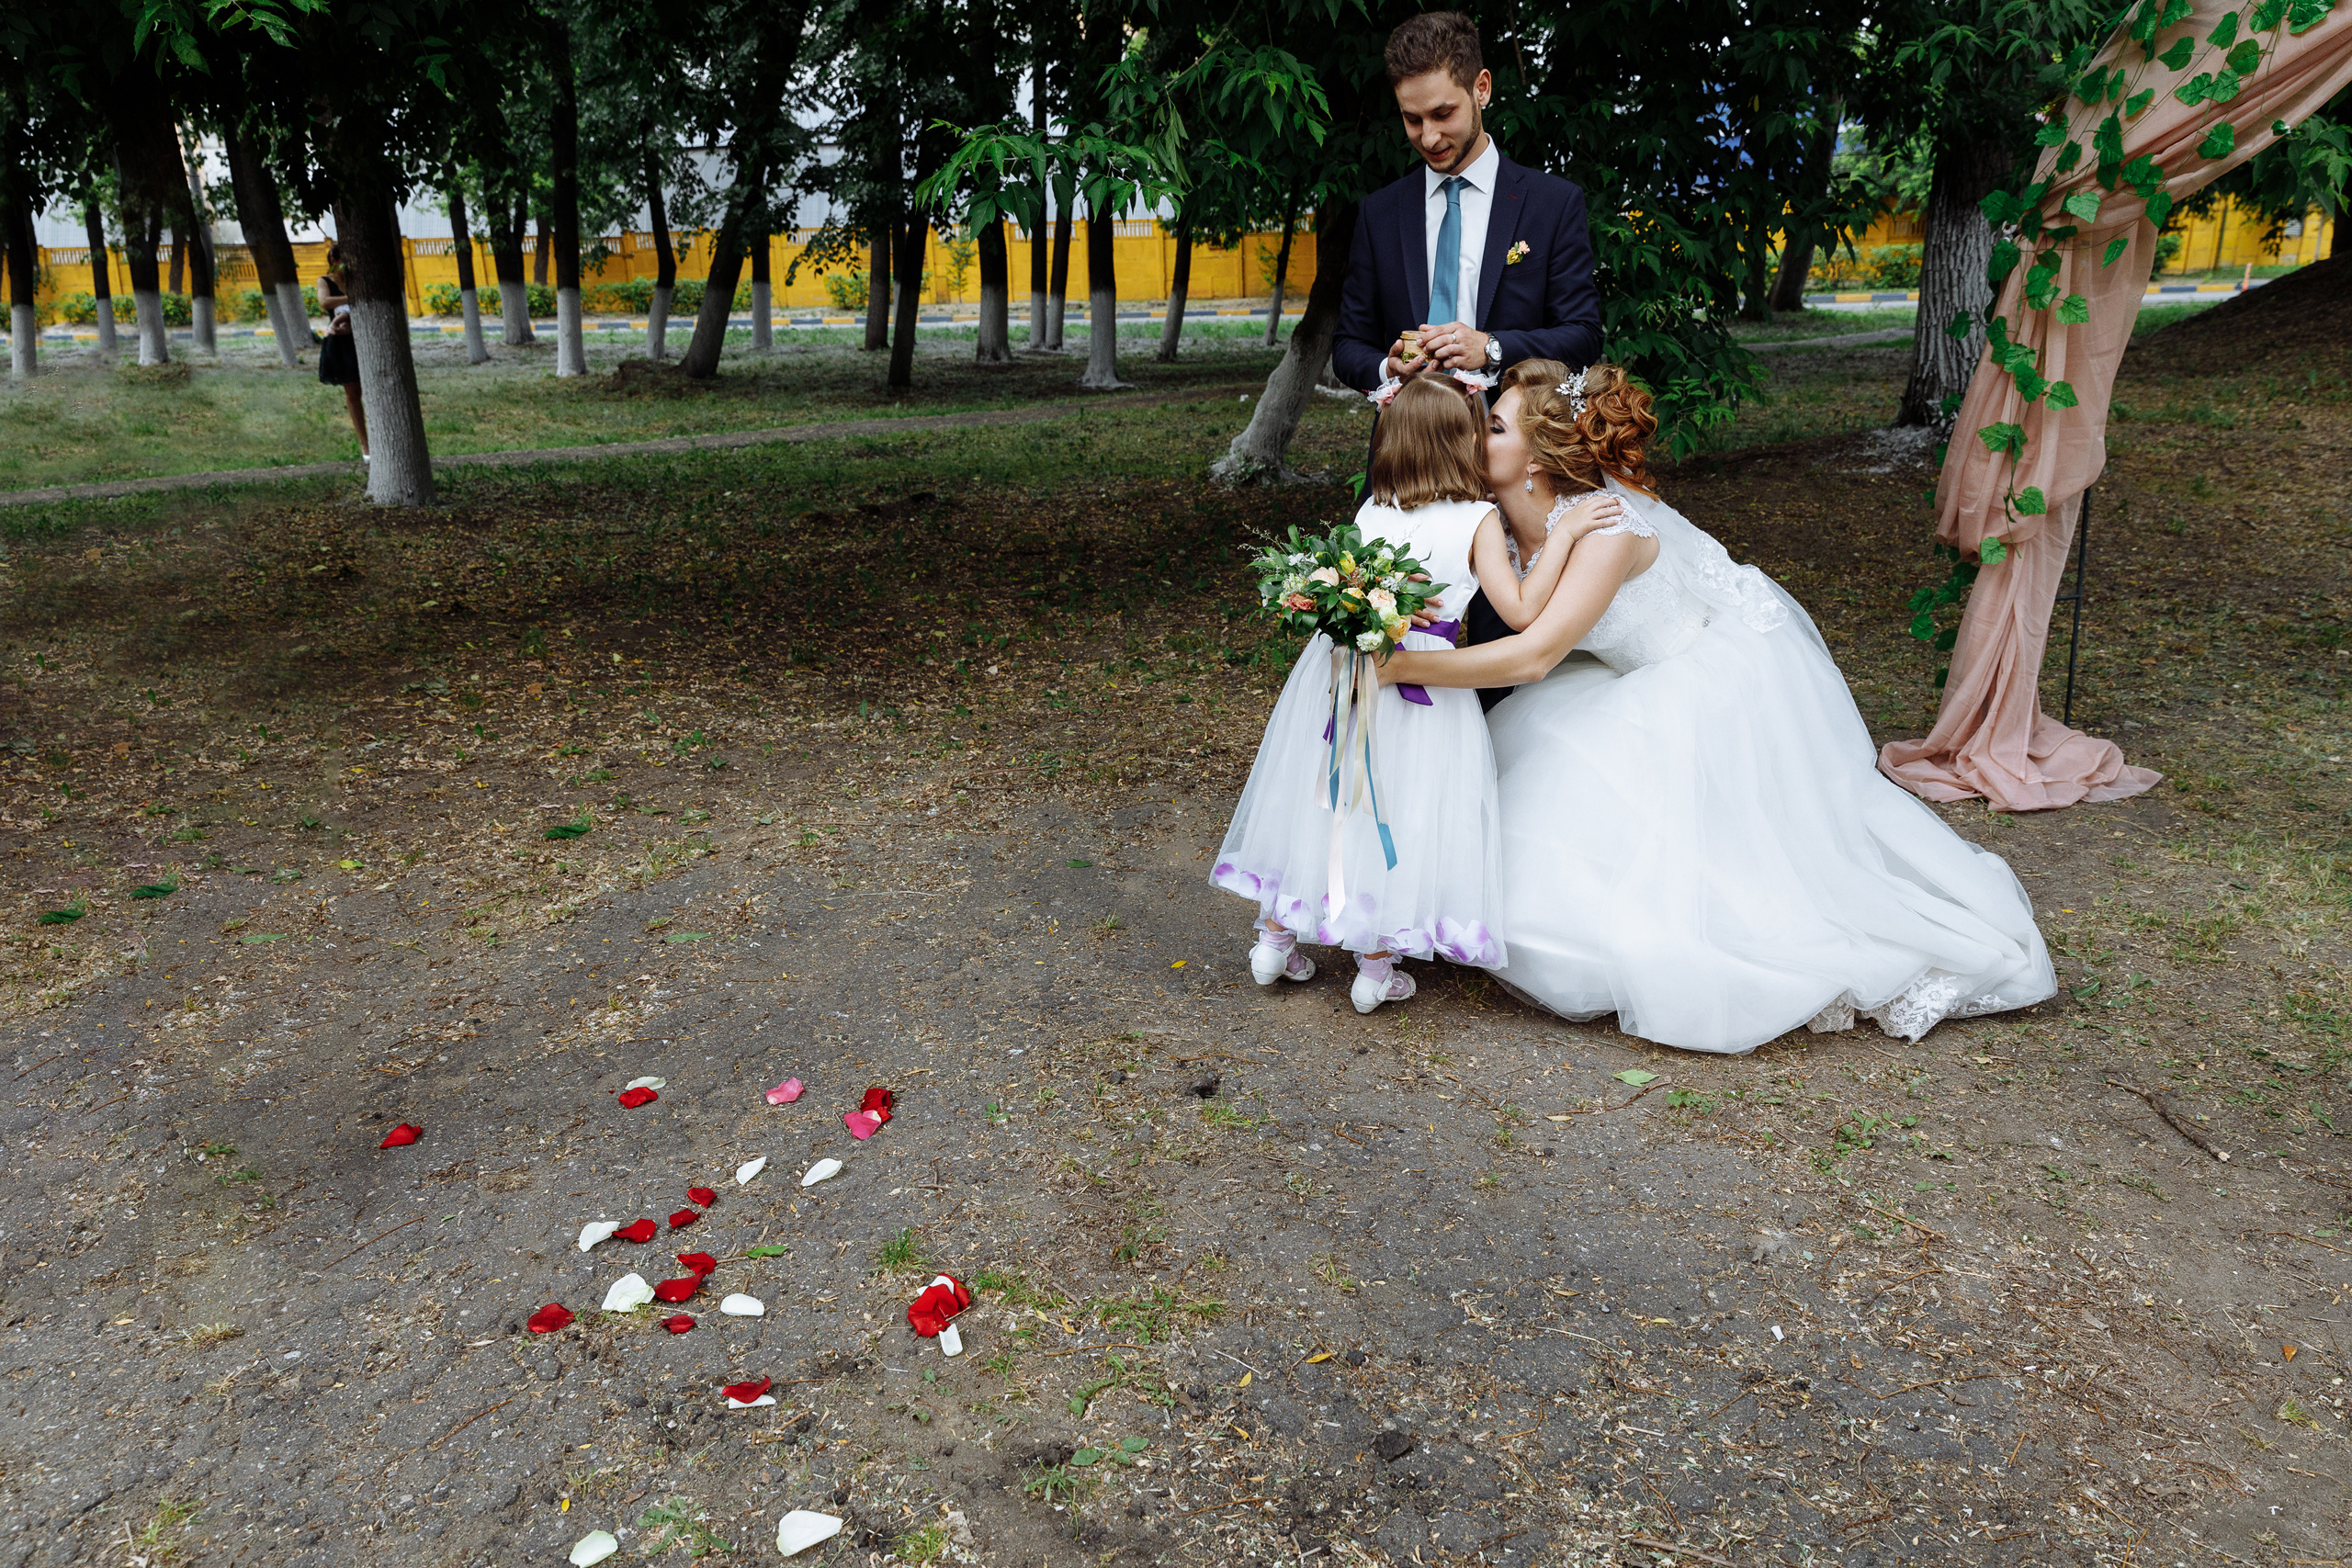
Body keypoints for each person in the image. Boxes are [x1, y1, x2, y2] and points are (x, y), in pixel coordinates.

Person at [1373, 361, 2058, 1054]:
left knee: (1723, 882)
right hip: (1614, 675)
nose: (1473, 433)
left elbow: (1533, 657)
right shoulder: (1491, 520)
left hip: (1710, 677)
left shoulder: (1606, 528)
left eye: (1492, 426)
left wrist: (1400, 668)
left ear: (1539, 460)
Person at [1212, 378, 1623, 1014]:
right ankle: (1375, 967)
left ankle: (1273, 938)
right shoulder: (1478, 519)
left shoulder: (1373, 508)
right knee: (1403, 805)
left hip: (1345, 665)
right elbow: (1519, 610)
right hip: (1421, 676)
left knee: (1327, 793)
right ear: (1460, 442)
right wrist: (1565, 536)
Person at [1330, 10, 1604, 706]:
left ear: (1482, 87)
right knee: (1388, 653)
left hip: (1509, 465)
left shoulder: (1550, 205)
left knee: (1495, 664)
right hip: (1405, 470)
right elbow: (1347, 348)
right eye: (1411, 120)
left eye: (1443, 113)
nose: (1429, 136)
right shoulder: (1379, 213)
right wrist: (1388, 368)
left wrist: (1496, 346)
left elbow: (1582, 335)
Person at [317, 243, 368, 465]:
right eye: (344, 260)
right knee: (353, 391)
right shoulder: (325, 281)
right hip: (342, 344)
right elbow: (325, 301)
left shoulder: (359, 279)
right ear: (335, 261)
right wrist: (352, 298)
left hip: (364, 340)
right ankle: (365, 444)